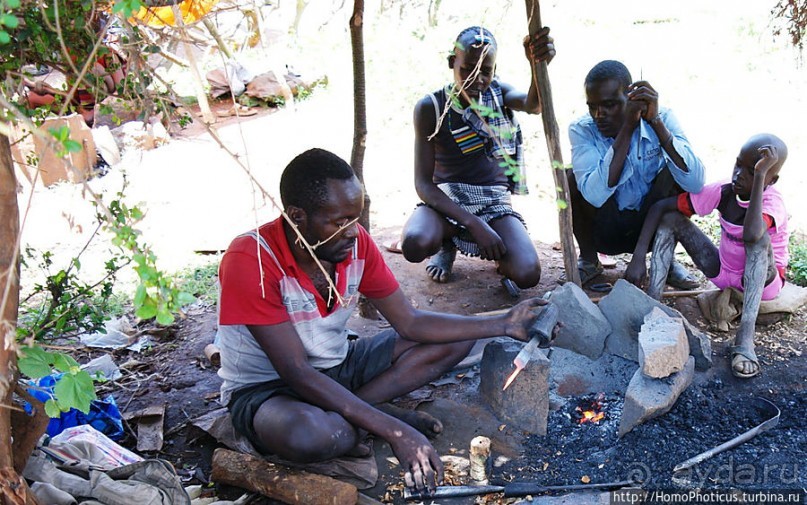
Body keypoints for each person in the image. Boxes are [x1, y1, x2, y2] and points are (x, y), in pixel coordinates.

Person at [216, 148, 554, 494]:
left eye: (355, 218)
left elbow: (409, 322)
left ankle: (358, 415)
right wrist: (396, 430)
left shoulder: (353, 243)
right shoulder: (251, 258)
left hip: (339, 366)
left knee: (456, 337)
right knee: (308, 437)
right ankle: (367, 415)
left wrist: (503, 322)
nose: (353, 231)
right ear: (297, 217)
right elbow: (296, 372)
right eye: (339, 222)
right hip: (269, 391)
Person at [398, 26, 555, 296]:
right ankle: (447, 243)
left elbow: (533, 105)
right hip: (446, 203)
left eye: (486, 71)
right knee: (415, 243)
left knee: (527, 273)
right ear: (452, 63)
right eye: (468, 69)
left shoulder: (498, 94)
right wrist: (473, 223)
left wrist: (537, 66)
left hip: (493, 204)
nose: (477, 79)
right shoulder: (431, 107)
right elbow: (423, 184)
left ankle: (501, 260)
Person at [625, 134, 789, 379]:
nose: (738, 176)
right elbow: (661, 207)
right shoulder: (724, 191)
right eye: (738, 165)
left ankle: (745, 340)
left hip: (761, 282)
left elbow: (753, 234)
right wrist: (638, 257)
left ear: (771, 180)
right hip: (724, 273)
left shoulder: (773, 203)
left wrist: (758, 180)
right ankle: (653, 308)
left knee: (758, 240)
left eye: (751, 172)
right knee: (671, 219)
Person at [568, 60, 705, 287]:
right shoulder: (582, 129)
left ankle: (665, 260)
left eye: (609, 105)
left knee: (675, 174)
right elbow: (594, 195)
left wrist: (655, 122)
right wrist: (627, 128)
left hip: (649, 226)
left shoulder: (663, 117)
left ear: (632, 99)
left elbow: (696, 182)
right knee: (570, 179)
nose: (598, 114)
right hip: (605, 230)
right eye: (592, 106)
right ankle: (589, 260)